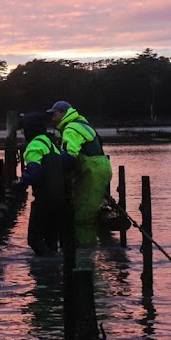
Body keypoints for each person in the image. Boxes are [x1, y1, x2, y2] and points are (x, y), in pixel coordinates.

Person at [46, 100, 112, 248]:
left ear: (63, 113)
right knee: (86, 209)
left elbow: (69, 156)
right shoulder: (83, 124)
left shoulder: (71, 128)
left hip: (92, 171)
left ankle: (85, 255)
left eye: (54, 114)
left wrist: (51, 169)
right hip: (100, 168)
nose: (52, 118)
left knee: (84, 215)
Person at [15, 111, 67, 256]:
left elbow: (35, 172)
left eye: (24, 129)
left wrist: (21, 182)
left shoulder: (34, 146)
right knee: (51, 240)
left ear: (29, 130)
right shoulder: (51, 144)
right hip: (59, 199)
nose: (22, 132)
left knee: (34, 240)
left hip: (44, 199)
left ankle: (46, 267)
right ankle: (56, 271)